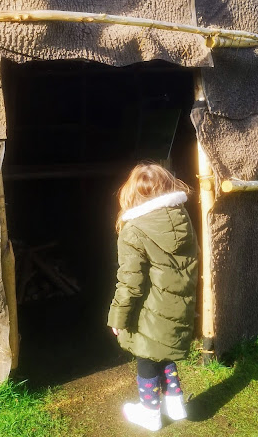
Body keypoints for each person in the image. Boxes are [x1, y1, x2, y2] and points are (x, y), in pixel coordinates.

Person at [108, 162, 199, 431]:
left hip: (151, 308)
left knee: (147, 356)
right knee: (164, 349)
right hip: (178, 303)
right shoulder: (181, 218)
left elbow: (130, 281)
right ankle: (175, 401)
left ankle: (149, 412)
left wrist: (118, 317)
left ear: (131, 195)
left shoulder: (133, 230)